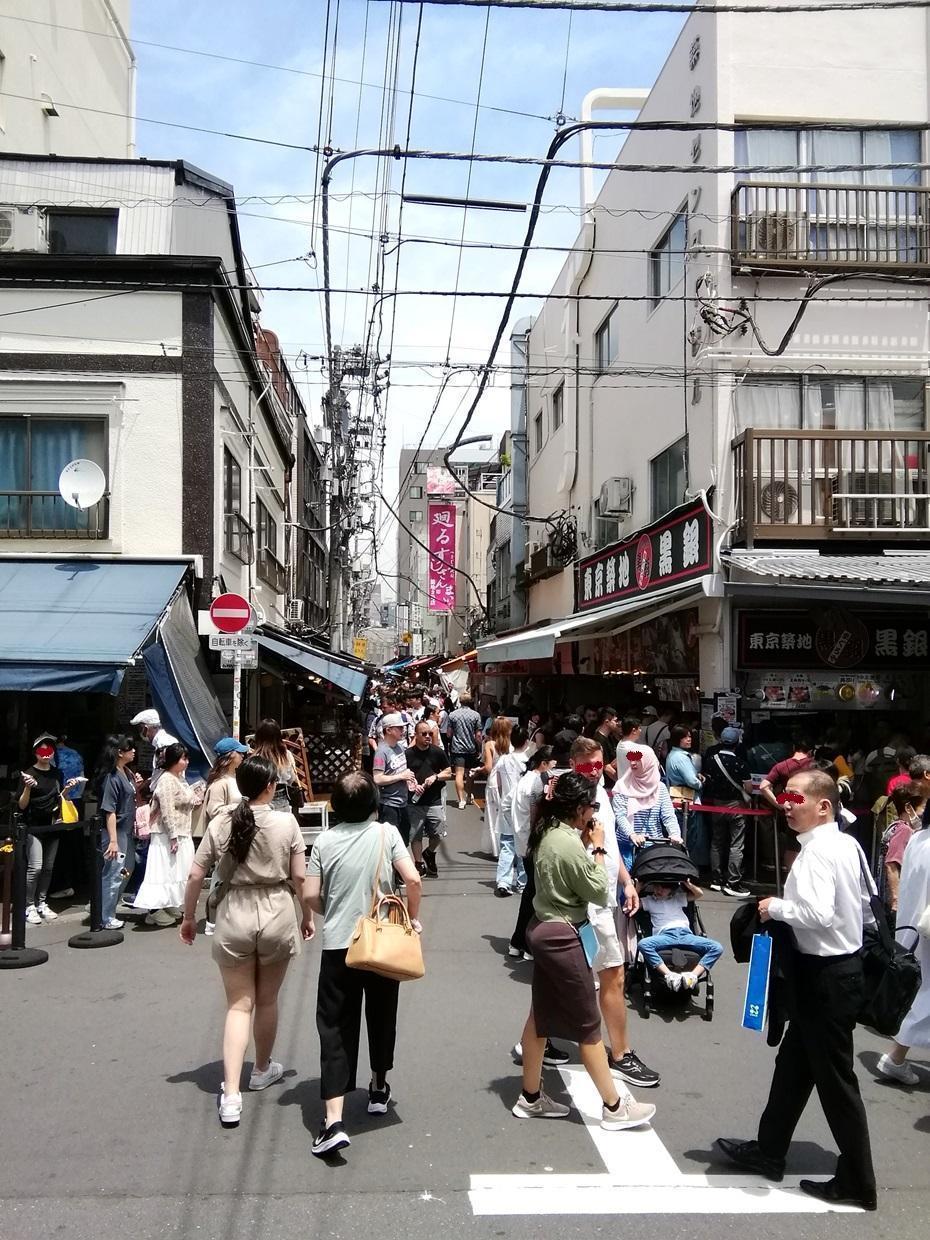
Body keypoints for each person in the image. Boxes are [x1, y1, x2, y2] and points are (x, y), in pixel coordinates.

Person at [715, 769, 877, 1211]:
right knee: (793, 1067)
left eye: (794, 797)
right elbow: (865, 906)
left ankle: (858, 1181)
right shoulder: (846, 844)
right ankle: (769, 1150)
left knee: (836, 1083)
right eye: (785, 797)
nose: (785, 804)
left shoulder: (820, 853)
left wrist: (774, 907)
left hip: (826, 977)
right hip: (832, 973)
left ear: (823, 805)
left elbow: (819, 914)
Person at [510, 772, 656, 1131]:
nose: (594, 812)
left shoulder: (547, 831)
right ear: (578, 807)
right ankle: (614, 1106)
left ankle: (530, 1098)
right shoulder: (568, 842)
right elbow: (597, 890)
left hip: (544, 928)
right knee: (589, 1026)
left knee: (540, 1017)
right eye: (591, 805)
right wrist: (599, 846)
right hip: (563, 936)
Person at [180, 755, 311, 1128]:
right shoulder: (286, 822)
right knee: (267, 999)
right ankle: (262, 1068)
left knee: (239, 1006)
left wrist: (189, 917)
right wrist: (306, 917)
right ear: (270, 786)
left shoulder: (222, 820)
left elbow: (195, 873)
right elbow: (299, 879)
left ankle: (231, 1094)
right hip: (276, 908)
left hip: (233, 911)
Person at [304, 772, 422, 1157]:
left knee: (335, 1026)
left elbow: (310, 893)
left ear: (335, 807)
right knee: (383, 1013)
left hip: (340, 944)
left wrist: (332, 910)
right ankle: (378, 1086)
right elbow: (413, 879)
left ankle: (334, 1119)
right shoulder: (388, 834)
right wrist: (413, 918)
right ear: (374, 804)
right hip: (383, 941)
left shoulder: (323, 840)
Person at [569, 736, 660, 1089]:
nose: (595, 772)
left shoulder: (603, 794)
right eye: (587, 766)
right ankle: (621, 1054)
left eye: (598, 764)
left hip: (604, 898)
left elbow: (610, 847)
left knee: (572, 979)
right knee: (612, 974)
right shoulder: (570, 799)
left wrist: (627, 882)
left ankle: (536, 1039)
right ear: (574, 764)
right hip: (585, 904)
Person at [876, 806, 930, 1085]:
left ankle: (897, 1056)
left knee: (920, 990)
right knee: (925, 995)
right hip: (925, 929)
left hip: (914, 927)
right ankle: (896, 1056)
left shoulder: (919, 839)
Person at [134, 743, 202, 927]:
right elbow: (166, 809)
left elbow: (183, 800)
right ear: (173, 760)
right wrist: (172, 836)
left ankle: (169, 903)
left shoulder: (179, 778)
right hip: (167, 833)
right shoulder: (166, 780)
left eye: (187, 758)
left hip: (182, 831)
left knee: (177, 870)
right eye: (183, 758)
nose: (186, 762)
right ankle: (155, 909)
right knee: (164, 870)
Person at [17, 732, 81, 925]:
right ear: (36, 752)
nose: (46, 753)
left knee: (48, 868)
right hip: (34, 827)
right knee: (35, 867)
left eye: (49, 749)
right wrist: (28, 787)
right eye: (42, 750)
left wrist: (68, 790)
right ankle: (28, 905)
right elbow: (21, 805)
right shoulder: (28, 774)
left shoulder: (57, 773)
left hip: (53, 825)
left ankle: (42, 903)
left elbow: (59, 797)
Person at [508, 747, 558, 963]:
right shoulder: (537, 783)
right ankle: (527, 943)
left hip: (524, 843)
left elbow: (505, 805)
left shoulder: (524, 781)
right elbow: (535, 816)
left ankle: (518, 942)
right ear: (544, 763)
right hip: (533, 845)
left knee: (531, 893)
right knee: (536, 895)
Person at [635, 877, 722, 991]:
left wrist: (688, 884)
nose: (659, 891)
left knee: (717, 947)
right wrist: (637, 889)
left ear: (671, 889)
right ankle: (669, 975)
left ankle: (693, 976)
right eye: (656, 887)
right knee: (643, 944)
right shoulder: (649, 900)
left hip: (685, 934)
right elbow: (632, 904)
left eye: (663, 888)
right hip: (665, 935)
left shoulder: (678, 898)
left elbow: (699, 894)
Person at [701, 726, 753, 897]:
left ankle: (716, 879)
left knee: (716, 841)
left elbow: (705, 779)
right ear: (737, 743)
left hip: (716, 805)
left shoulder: (710, 760)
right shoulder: (741, 763)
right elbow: (748, 788)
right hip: (736, 805)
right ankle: (733, 882)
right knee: (736, 843)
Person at [94, 735, 138, 930]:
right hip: (116, 831)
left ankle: (108, 909)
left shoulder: (126, 773)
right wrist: (112, 840)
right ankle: (105, 916)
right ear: (120, 752)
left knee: (124, 869)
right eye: (130, 748)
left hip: (125, 830)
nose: (134, 751)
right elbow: (109, 810)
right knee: (113, 873)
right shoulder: (112, 777)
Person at [612, 747, 681, 871]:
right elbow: (620, 816)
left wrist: (674, 834)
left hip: (654, 848)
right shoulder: (622, 786)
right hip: (626, 847)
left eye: (637, 760)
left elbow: (668, 815)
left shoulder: (660, 788)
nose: (632, 763)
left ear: (648, 761)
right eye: (631, 760)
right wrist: (632, 834)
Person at [405, 720, 452, 876]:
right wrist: (411, 783)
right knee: (415, 834)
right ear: (416, 735)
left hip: (434, 799)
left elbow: (448, 772)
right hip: (415, 801)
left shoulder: (437, 752)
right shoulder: (408, 754)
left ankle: (430, 852)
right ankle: (418, 863)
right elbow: (402, 774)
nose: (427, 736)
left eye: (430, 733)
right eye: (423, 734)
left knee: (438, 833)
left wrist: (436, 777)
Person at [879, 781, 926, 916]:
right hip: (898, 905)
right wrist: (896, 900)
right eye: (923, 807)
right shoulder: (904, 830)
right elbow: (891, 864)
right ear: (909, 808)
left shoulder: (896, 826)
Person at [494, 725, 530, 896]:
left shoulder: (503, 760)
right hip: (523, 808)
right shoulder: (528, 762)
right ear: (527, 741)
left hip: (506, 806)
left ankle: (503, 881)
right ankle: (523, 882)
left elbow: (499, 786)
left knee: (507, 845)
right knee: (524, 845)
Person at [372, 713, 416, 845]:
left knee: (403, 840)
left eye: (403, 728)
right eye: (399, 728)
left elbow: (401, 770)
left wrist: (409, 779)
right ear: (388, 730)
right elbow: (377, 779)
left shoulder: (400, 747)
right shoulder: (381, 752)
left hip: (403, 801)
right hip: (388, 804)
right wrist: (401, 776)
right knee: (390, 843)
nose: (403, 731)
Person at [479, 716, 513, 859]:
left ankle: (496, 849)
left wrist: (478, 770)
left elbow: (488, 767)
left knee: (493, 816)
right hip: (509, 781)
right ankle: (508, 846)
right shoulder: (512, 746)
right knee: (507, 815)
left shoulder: (490, 744)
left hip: (493, 782)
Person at [251, 719, 299, 812]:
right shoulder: (286, 755)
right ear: (278, 735)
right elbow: (292, 778)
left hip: (260, 801)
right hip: (282, 801)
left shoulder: (255, 757)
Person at [202, 737, 249, 827]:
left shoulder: (235, 778)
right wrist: (240, 807)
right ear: (230, 755)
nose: (243, 755)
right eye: (239, 752)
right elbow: (214, 812)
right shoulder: (220, 783)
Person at [447, 693, 483, 810]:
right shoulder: (476, 715)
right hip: (470, 747)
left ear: (460, 701)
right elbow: (478, 735)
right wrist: (480, 747)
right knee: (470, 774)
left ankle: (461, 800)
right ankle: (468, 795)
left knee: (459, 774)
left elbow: (449, 733)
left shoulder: (452, 715)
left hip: (457, 748)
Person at [664, 724, 702, 830]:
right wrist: (701, 783)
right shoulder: (681, 757)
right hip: (686, 799)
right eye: (685, 737)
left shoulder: (673, 754)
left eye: (689, 737)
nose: (689, 739)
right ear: (677, 739)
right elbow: (692, 781)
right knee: (689, 835)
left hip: (677, 799)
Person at [592, 708, 621, 787]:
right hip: (606, 785)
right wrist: (621, 782)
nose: (617, 723)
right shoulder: (599, 740)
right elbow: (606, 767)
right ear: (607, 722)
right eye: (615, 721)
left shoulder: (610, 738)